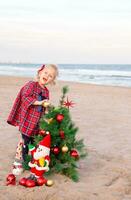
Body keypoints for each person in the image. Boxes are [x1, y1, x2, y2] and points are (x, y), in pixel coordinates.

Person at [7, 64, 58, 175]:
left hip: (38, 122)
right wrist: (39, 102)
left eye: (51, 76)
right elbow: (25, 97)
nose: (47, 76)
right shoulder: (31, 85)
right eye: (45, 73)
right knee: (24, 141)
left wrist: (48, 110)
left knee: (33, 142)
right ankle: (18, 161)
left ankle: (30, 161)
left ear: (52, 80)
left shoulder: (46, 92)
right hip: (28, 120)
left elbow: (44, 106)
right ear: (40, 73)